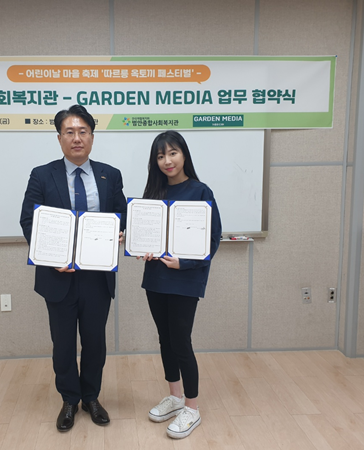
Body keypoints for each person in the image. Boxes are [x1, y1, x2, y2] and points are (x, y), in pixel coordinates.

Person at [20, 105, 127, 432]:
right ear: (59, 138)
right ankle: (69, 399)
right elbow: (29, 221)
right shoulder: (42, 175)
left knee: (95, 342)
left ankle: (91, 397)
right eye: (70, 132)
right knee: (63, 344)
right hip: (58, 276)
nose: (76, 138)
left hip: (97, 277)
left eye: (83, 132)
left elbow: (121, 214)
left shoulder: (110, 174)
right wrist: (51, 257)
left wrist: (122, 232)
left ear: (92, 137)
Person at [137, 130, 221, 439]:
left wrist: (183, 263)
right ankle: (174, 397)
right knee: (165, 339)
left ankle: (192, 408)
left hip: (185, 279)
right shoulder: (153, 193)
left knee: (181, 341)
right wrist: (140, 248)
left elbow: (212, 240)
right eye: (160, 156)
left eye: (172, 153)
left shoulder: (201, 191)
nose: (167, 161)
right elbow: (145, 237)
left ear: (184, 154)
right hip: (156, 279)